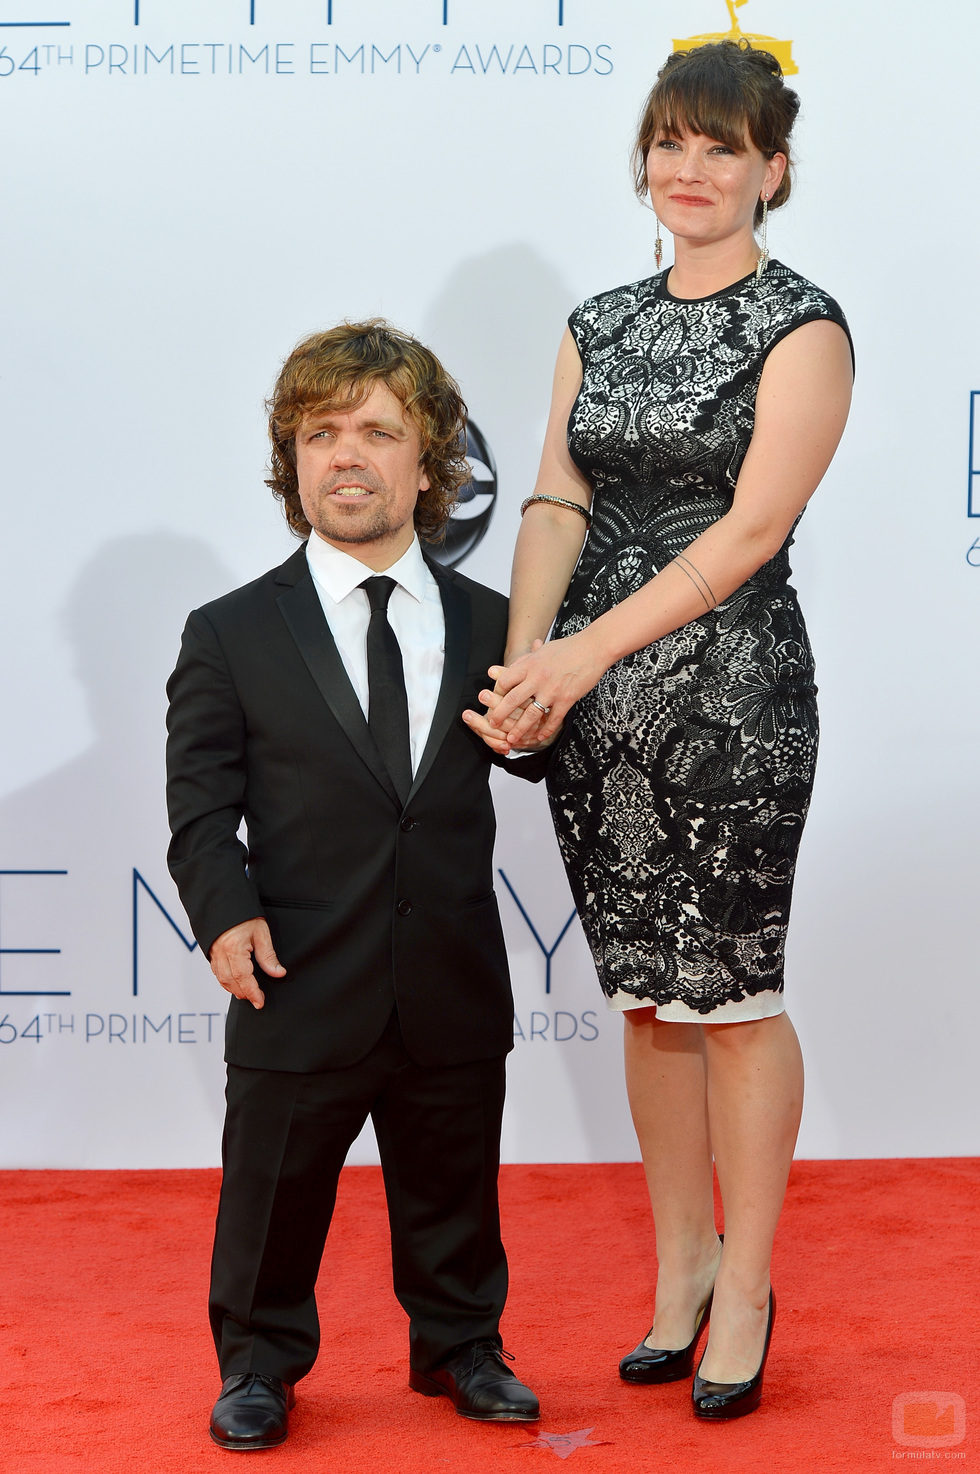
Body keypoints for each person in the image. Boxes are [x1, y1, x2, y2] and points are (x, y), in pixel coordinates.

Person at [464, 41, 853, 1420]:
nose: (691, 170)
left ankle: (748, 1281)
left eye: (722, 148)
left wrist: (573, 651)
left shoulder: (802, 326)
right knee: (647, 992)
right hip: (595, 713)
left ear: (774, 170)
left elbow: (748, 533)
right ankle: (680, 1266)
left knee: (733, 1000)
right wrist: (526, 668)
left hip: (732, 702)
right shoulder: (600, 321)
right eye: (671, 143)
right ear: (646, 158)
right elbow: (560, 499)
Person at [166, 321, 545, 1451]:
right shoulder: (229, 631)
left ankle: (462, 1345)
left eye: (377, 431)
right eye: (319, 432)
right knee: (272, 1195)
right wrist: (224, 910)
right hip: (299, 969)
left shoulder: (494, 624)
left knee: (453, 1185)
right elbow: (199, 803)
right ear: (290, 461)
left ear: (427, 463)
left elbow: (539, 756)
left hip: (448, 968)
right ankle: (257, 1364)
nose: (346, 454)